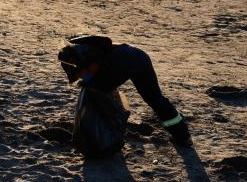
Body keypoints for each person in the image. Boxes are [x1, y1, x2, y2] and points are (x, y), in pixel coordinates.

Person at [58, 35, 192, 146]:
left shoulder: (90, 57)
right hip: (137, 55)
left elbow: (101, 85)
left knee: (152, 98)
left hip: (132, 61)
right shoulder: (79, 52)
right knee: (155, 98)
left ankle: (182, 136)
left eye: (82, 74)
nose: (81, 77)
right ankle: (183, 136)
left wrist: (91, 84)